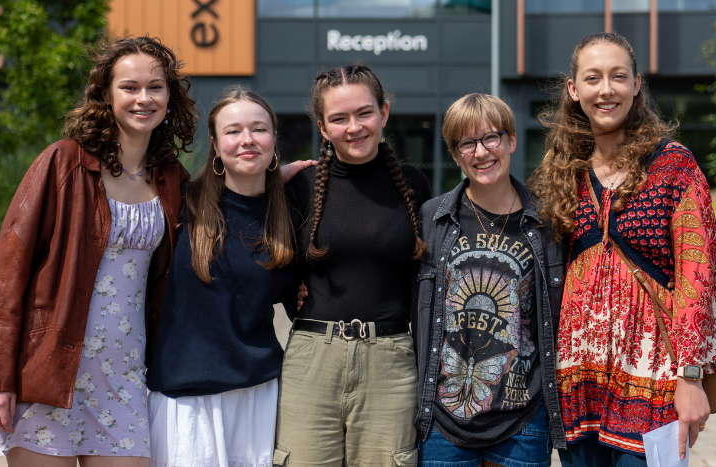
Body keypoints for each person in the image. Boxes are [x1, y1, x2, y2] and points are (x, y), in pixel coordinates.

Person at [0, 36, 198, 466]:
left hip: (125, 380)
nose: (143, 98)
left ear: (170, 97)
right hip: (47, 375)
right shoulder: (64, 163)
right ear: (106, 95)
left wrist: (273, 185)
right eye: (129, 87)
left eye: (156, 86)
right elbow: (7, 275)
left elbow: (215, 228)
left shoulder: (172, 179)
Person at [528, 32, 716, 467]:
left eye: (618, 76)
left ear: (636, 84)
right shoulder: (562, 169)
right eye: (593, 78)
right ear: (574, 89)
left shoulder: (673, 165)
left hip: (656, 382)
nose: (606, 89)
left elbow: (700, 275)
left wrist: (692, 378)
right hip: (576, 383)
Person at [145, 85, 308, 467]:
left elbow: (304, 299)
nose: (247, 140)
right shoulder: (179, 204)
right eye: (233, 131)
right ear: (216, 147)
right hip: (184, 400)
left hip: (258, 397)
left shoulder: (289, 219)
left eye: (259, 129)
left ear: (274, 141)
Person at [276, 63, 431, 466]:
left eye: (364, 113)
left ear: (384, 112)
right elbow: (267, 257)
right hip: (313, 358)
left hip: (391, 358)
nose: (354, 127)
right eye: (339, 119)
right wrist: (270, 180)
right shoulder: (301, 186)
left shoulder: (414, 185)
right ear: (323, 128)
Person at [413, 93, 567, 467]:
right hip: (443, 422)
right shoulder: (433, 218)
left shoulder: (546, 222)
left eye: (490, 138)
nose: (481, 152)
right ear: (455, 154)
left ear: (511, 140)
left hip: (523, 418)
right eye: (467, 142)